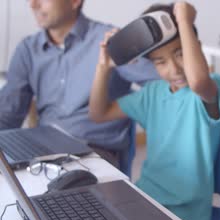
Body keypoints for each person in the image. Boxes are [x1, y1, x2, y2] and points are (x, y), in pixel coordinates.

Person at [88, 2, 220, 220]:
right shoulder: (152, 93)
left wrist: (184, 21)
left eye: (180, 53)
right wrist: (104, 67)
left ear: (196, 48)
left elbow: (198, 81)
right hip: (143, 198)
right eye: (160, 62)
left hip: (184, 214)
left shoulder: (210, 87)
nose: (173, 69)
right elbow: (98, 113)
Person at [0, 0, 158, 167]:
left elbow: (168, 82)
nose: (33, 4)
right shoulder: (28, 50)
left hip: (93, 153)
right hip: (41, 151)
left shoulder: (108, 41)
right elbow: (8, 114)